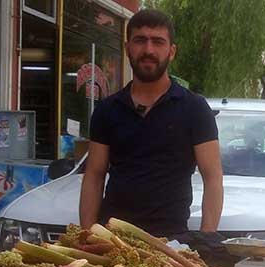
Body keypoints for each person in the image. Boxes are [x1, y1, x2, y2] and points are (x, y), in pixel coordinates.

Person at [79, 9, 224, 243]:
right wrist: (87, 235)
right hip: (112, 241)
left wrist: (207, 240)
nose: (149, 50)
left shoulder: (194, 109)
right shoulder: (107, 110)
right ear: (127, 48)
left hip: (173, 243)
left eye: (158, 42)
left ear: (172, 51)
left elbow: (213, 177)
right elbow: (94, 176)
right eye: (140, 41)